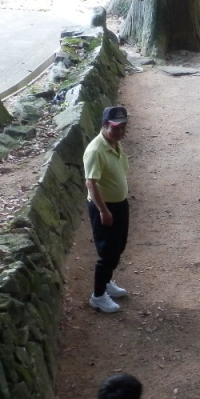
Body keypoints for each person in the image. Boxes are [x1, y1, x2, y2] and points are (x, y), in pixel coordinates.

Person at [84, 106, 131, 314]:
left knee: (118, 247)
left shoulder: (115, 144)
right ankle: (98, 295)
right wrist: (103, 211)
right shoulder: (96, 150)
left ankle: (107, 282)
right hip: (105, 207)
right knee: (107, 253)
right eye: (115, 128)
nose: (120, 132)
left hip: (119, 205)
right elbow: (91, 184)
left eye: (123, 127)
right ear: (104, 126)